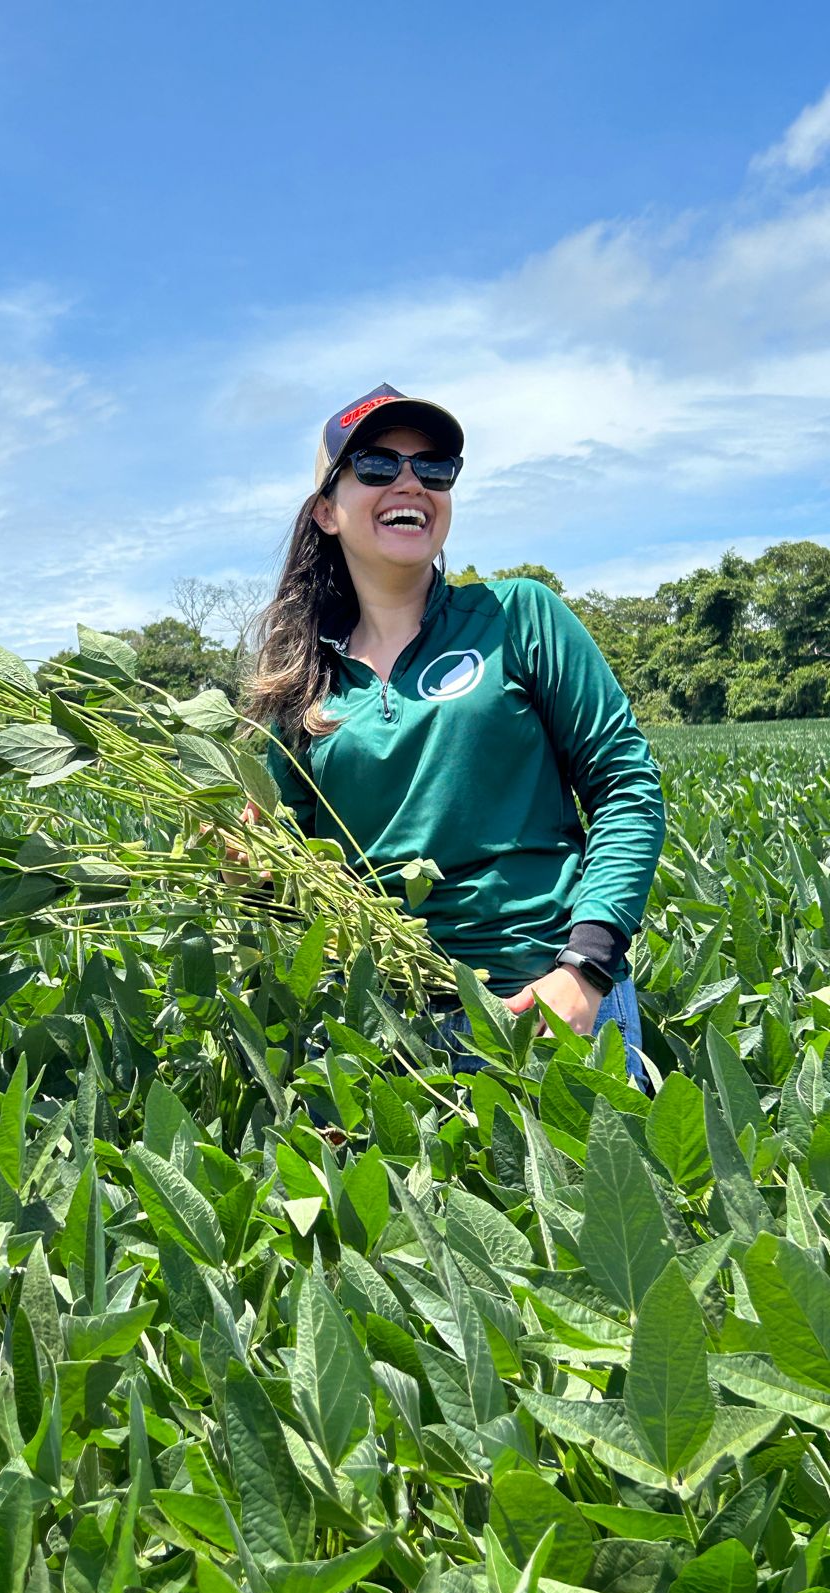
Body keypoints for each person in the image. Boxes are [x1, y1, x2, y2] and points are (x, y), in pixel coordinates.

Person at [237, 382, 666, 1085]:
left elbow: (627, 788)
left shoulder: (519, 615)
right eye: (377, 465)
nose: (411, 481)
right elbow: (293, 881)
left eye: (434, 468)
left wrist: (585, 967)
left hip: (548, 1002)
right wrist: (248, 875)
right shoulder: (301, 687)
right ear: (325, 512)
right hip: (385, 1028)